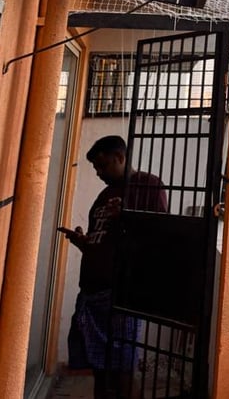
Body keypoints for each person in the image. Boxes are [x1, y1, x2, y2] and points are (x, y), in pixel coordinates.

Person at [60, 135, 167, 399]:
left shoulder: (148, 185)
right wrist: (83, 242)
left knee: (123, 370)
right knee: (99, 368)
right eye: (96, 167)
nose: (98, 172)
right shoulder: (104, 195)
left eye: (103, 165)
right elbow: (102, 241)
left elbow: (159, 234)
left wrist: (126, 217)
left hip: (121, 293)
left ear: (120, 157)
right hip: (91, 293)